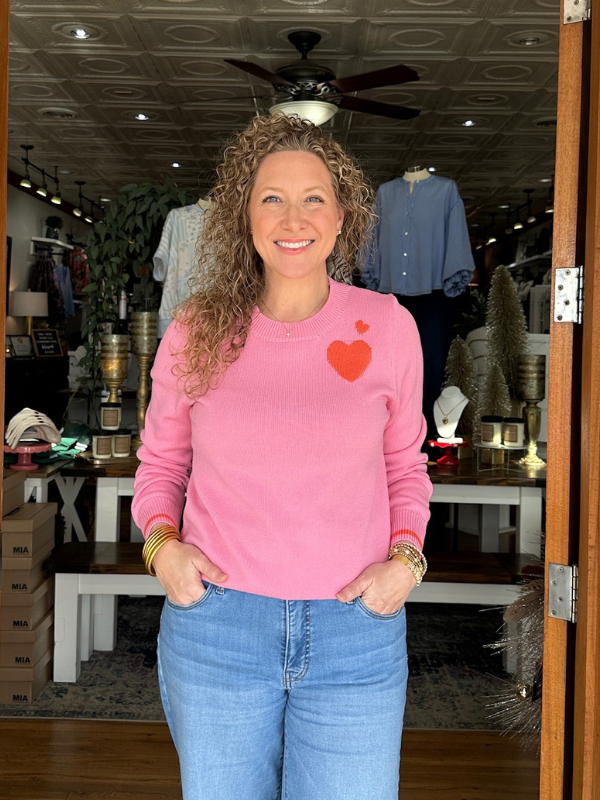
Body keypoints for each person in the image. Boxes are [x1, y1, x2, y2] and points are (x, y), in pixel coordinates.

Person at [132, 113, 433, 800]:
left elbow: (406, 469)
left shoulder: (387, 326)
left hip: (355, 632)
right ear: (244, 213)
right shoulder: (197, 327)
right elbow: (160, 465)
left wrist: (406, 564)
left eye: (313, 197)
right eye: (271, 196)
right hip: (218, 630)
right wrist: (162, 550)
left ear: (341, 215)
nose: (292, 217)